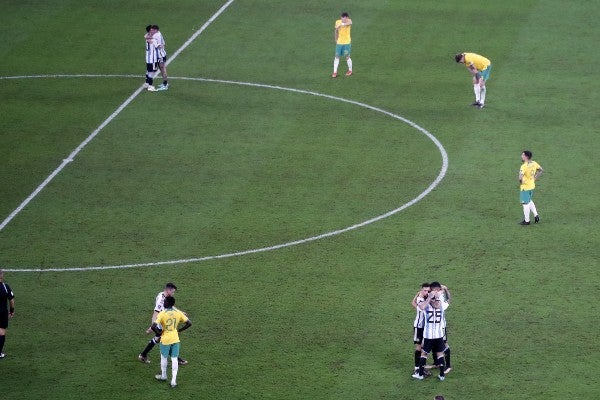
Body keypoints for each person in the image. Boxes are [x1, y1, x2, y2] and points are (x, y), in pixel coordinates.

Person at [139, 283, 188, 365]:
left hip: (163, 321)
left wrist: (180, 312)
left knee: (158, 339)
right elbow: (155, 313)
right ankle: (177, 359)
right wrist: (152, 327)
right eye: (172, 292)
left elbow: (171, 306)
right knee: (167, 340)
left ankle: (143, 355)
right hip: (161, 323)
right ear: (168, 290)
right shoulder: (161, 300)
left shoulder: (164, 296)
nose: (173, 293)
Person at [152, 296, 192, 388]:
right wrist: (179, 330)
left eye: (165, 301)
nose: (164, 303)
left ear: (168, 303)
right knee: (174, 359)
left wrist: (159, 333)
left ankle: (164, 376)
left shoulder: (162, 313)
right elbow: (189, 323)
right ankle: (173, 381)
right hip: (175, 339)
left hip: (165, 339)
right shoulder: (178, 312)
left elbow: (153, 326)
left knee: (164, 357)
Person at [412, 281, 447, 381]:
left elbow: (421, 306)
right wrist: (439, 293)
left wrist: (429, 298)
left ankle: (420, 374)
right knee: (440, 353)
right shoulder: (441, 304)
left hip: (428, 334)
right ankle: (442, 375)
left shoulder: (426, 305)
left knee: (424, 354)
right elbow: (438, 304)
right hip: (439, 334)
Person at [518, 150, 543, 225]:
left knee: (525, 203)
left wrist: (521, 182)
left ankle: (527, 221)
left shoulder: (524, 166)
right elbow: (541, 170)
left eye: (523, 155)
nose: (521, 156)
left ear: (526, 157)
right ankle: (536, 215)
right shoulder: (534, 163)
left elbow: (520, 177)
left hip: (525, 187)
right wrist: (535, 178)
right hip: (531, 185)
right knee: (529, 200)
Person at [411, 283, 431, 376]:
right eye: (424, 290)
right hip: (419, 327)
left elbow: (413, 303)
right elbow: (421, 306)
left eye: (428, 291)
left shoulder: (427, 299)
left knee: (424, 348)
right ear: (421, 290)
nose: (426, 292)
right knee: (419, 347)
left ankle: (421, 367)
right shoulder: (420, 299)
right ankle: (417, 368)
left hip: (426, 328)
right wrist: (418, 295)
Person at [332, 12, 353, 78]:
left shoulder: (349, 21)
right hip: (339, 43)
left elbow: (350, 23)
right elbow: (336, 31)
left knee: (347, 56)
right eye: (343, 18)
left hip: (347, 43)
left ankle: (350, 70)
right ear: (341, 17)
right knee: (337, 56)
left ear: (347, 18)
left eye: (346, 18)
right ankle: (335, 72)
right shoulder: (337, 22)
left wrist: (342, 24)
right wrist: (336, 39)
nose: (344, 19)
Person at [0, 270, 15, 359]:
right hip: (2, 313)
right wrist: (12, 310)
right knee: (1, 332)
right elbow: (11, 301)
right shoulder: (6, 287)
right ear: (2, 276)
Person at [151, 25, 169, 91]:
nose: (151, 31)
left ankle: (165, 85)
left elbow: (158, 46)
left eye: (153, 30)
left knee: (163, 70)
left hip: (160, 56)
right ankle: (165, 83)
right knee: (162, 70)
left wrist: (155, 43)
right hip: (161, 54)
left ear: (156, 30)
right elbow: (163, 43)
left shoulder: (156, 36)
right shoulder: (159, 33)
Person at [145, 25, 159, 91]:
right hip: (152, 58)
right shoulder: (152, 39)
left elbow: (146, 36)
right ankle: (150, 86)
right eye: (152, 30)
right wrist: (161, 45)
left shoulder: (147, 36)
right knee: (152, 72)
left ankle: (146, 83)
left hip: (148, 58)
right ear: (149, 31)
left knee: (148, 71)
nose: (153, 31)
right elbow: (158, 46)